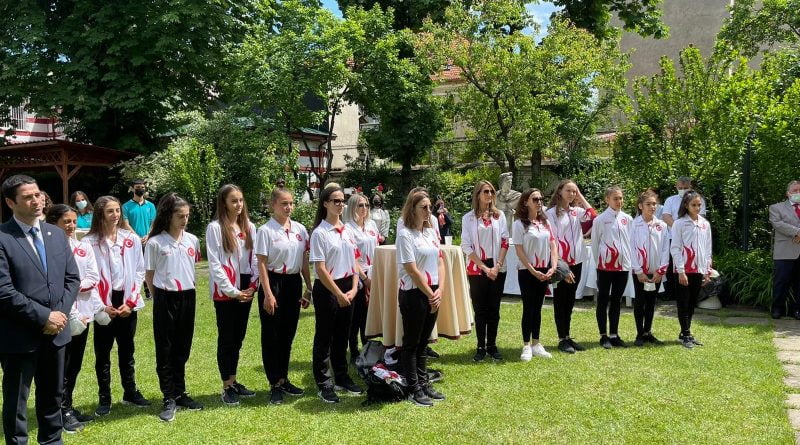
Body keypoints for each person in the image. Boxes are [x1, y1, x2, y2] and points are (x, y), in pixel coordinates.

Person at [0, 175, 80, 444]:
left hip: (56, 334)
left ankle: (52, 441)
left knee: (52, 397)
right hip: (19, 336)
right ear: (10, 203)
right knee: (17, 403)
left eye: (38, 194)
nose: (37, 200)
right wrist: (44, 317)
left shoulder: (56, 234)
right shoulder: (2, 238)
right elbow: (3, 291)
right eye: (28, 197)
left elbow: (72, 279)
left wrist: (59, 317)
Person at [83, 195, 150, 416]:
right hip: (103, 303)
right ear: (100, 214)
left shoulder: (130, 238)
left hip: (127, 302)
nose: (115, 215)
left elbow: (139, 270)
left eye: (118, 210)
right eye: (110, 211)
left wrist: (130, 302)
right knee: (103, 353)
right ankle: (105, 397)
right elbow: (88, 276)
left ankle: (130, 391)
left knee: (127, 349)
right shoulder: (89, 242)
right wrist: (101, 306)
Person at [145, 193, 204, 422]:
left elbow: (191, 267)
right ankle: (168, 396)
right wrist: (159, 298)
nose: (184, 220)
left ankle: (180, 392)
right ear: (168, 216)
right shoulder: (155, 243)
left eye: (187, 216)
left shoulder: (192, 240)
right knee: (166, 348)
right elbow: (149, 275)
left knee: (183, 346)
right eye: (180, 216)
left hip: (188, 296)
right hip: (165, 297)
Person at [46, 205, 104, 430]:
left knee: (75, 364)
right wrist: (73, 286)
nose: (71, 226)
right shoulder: (48, 249)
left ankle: (67, 404)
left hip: (84, 314)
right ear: (54, 223)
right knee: (62, 364)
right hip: (61, 314)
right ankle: (60, 410)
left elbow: (93, 276)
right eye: (66, 222)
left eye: (73, 221)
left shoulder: (83, 247)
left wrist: (72, 286)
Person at [255, 186, 312, 405]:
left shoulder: (300, 229)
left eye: (291, 203)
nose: (288, 207)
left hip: (293, 283)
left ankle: (283, 378)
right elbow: (261, 263)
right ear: (273, 205)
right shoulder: (265, 231)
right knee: (272, 335)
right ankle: (274, 384)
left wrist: (309, 287)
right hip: (273, 282)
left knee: (288, 333)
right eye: (284, 203)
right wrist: (268, 294)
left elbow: (304, 260)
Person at [309, 184, 364, 404]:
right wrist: (338, 293)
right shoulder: (320, 233)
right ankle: (324, 382)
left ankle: (341, 376)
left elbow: (355, 261)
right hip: (328, 288)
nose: (341, 205)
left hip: (348, 286)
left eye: (343, 201)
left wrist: (354, 288)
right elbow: (320, 269)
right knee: (325, 337)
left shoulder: (348, 230)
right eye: (336, 201)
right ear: (325, 204)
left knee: (343, 335)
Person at [205, 184, 259, 406]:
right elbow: (215, 264)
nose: (238, 205)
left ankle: (234, 380)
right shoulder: (215, 228)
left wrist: (253, 285)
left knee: (238, 337)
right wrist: (232, 291)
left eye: (241, 200)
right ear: (224, 203)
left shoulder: (249, 226)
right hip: (226, 291)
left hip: (245, 288)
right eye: (233, 201)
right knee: (227, 338)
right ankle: (226, 385)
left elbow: (255, 259)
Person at [397, 190, 446, 407]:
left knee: (423, 341)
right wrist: (430, 293)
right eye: (423, 207)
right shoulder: (405, 234)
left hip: (432, 292)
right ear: (412, 209)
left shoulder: (430, 232)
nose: (428, 211)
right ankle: (413, 387)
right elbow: (411, 269)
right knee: (411, 342)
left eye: (429, 207)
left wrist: (440, 290)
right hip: (414, 293)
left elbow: (441, 262)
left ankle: (423, 382)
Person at [546, 179, 597, 353]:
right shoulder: (551, 214)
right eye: (568, 190)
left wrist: (580, 196)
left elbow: (594, 216)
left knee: (570, 300)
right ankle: (562, 338)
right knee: (561, 300)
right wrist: (562, 266)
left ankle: (567, 336)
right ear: (560, 191)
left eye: (574, 191)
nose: (572, 194)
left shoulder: (577, 212)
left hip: (577, 261)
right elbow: (551, 241)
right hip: (561, 263)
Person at [460, 180, 509, 362]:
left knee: (494, 309)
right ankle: (480, 346)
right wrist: (484, 267)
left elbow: (505, 241)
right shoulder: (468, 218)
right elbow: (466, 245)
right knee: (480, 310)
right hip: (477, 268)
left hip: (497, 267)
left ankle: (492, 345)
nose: (489, 195)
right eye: (486, 191)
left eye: (491, 192)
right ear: (478, 195)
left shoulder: (499, 216)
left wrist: (497, 266)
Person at [513, 189, 557, 361]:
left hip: (544, 270)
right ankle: (526, 344)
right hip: (527, 271)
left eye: (541, 199)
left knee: (538, 307)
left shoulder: (545, 222)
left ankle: (536, 343)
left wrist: (553, 267)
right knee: (528, 307)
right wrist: (532, 270)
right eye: (535, 199)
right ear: (526, 202)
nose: (539, 202)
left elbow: (553, 245)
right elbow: (519, 250)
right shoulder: (519, 224)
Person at [591, 186, 633, 349]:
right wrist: (599, 263)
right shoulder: (600, 220)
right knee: (603, 300)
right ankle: (603, 335)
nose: (619, 201)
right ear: (607, 200)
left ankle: (614, 334)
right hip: (605, 267)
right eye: (615, 198)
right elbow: (595, 244)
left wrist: (628, 261)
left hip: (623, 267)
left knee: (616, 300)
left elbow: (630, 242)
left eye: (621, 198)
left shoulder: (627, 219)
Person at [670, 190, 712, 349]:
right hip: (684, 269)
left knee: (692, 302)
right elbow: (675, 248)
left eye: (699, 205)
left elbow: (707, 249)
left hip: (699, 269)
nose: (697, 208)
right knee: (683, 302)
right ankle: (686, 333)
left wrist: (707, 270)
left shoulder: (705, 224)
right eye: (694, 205)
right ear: (686, 205)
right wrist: (681, 271)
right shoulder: (679, 223)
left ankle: (685, 332)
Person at [630, 190, 669, 346]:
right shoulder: (634, 224)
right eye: (648, 204)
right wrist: (638, 271)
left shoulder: (662, 225)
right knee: (640, 301)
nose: (652, 207)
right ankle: (639, 333)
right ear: (640, 206)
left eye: (654, 204)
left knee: (652, 302)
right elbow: (631, 248)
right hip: (640, 272)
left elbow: (666, 248)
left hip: (656, 272)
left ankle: (648, 331)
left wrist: (661, 270)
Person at [345, 193, 380, 365]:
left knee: (368, 315)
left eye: (366, 205)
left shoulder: (372, 225)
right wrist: (365, 278)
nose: (364, 208)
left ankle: (367, 348)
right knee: (355, 316)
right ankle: (353, 350)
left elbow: (378, 249)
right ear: (353, 207)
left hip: (373, 273)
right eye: (360, 205)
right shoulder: (348, 228)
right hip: (358, 276)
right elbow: (352, 257)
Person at [661, 177, 707, 299]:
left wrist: (686, 229)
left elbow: (701, 217)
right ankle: (673, 294)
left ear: (690, 187)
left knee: (692, 263)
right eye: (680, 188)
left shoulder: (699, 199)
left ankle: (692, 292)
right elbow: (666, 216)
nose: (682, 190)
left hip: (693, 238)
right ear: (676, 187)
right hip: (673, 236)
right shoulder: (670, 200)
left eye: (685, 188)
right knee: (673, 265)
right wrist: (679, 229)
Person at [769, 180, 800, 319]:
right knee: (781, 282)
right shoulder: (776, 208)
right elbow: (777, 224)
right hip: (784, 251)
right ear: (788, 193)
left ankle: (797, 310)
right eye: (795, 191)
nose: (798, 193)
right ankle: (777, 309)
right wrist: (797, 232)